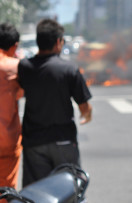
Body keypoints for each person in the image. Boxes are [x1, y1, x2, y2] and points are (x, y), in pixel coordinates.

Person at [0, 19, 93, 187]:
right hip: (64, 140)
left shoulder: (24, 67)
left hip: (34, 143)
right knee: (69, 190)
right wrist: (87, 115)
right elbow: (84, 107)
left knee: (36, 193)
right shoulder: (69, 69)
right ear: (58, 42)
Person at [0, 23, 23, 194]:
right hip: (6, 139)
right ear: (14, 46)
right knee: (5, 192)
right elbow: (21, 93)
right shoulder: (15, 67)